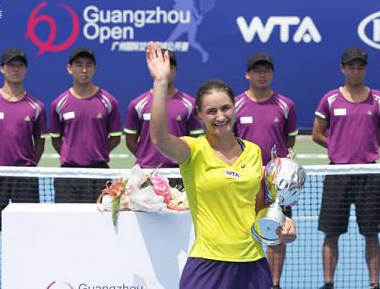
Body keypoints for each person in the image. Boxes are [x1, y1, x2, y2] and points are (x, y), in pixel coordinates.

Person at [147, 41, 297, 289]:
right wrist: (161, 83)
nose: (220, 116)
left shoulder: (253, 151)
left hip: (253, 264)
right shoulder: (193, 150)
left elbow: (259, 207)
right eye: (211, 111)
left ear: (234, 109)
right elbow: (159, 139)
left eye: (225, 108)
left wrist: (281, 223)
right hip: (208, 265)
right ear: (200, 116)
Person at [0, 48, 47, 289]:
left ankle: (28, 279)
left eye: (20, 65)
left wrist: (28, 164)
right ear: (2, 68)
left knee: (29, 232)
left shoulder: (36, 106)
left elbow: (40, 141)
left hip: (25, 177)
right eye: (11, 64)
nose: (16, 68)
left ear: (25, 69)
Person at [312, 47, 379, 289]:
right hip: (337, 173)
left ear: (366, 69)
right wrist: (337, 145)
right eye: (351, 66)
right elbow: (317, 134)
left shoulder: (377, 99)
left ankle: (374, 283)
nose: (355, 71)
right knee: (331, 233)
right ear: (342, 68)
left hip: (369, 174)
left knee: (371, 233)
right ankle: (328, 283)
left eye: (360, 66)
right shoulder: (330, 99)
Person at [234, 52, 298, 289]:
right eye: (257, 70)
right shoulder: (236, 105)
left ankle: (273, 284)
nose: (262, 75)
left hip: (275, 184)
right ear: (247, 74)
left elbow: (289, 140)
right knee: (241, 229)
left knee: (277, 232)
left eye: (266, 70)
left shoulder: (285, 105)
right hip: (243, 179)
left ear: (271, 73)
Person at [50, 47, 122, 202]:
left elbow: (115, 137)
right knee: (66, 223)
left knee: (99, 223)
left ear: (95, 68)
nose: (84, 70)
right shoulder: (59, 103)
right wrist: (72, 153)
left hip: (99, 173)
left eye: (88, 65)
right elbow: (56, 139)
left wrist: (97, 152)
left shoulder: (109, 102)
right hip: (68, 175)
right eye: (78, 64)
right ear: (69, 68)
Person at [125, 48, 202, 187]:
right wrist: (146, 157)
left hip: (179, 173)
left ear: (175, 70)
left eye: (169, 66)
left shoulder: (190, 104)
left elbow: (195, 141)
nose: (165, 69)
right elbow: (130, 140)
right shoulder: (137, 104)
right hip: (146, 173)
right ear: (151, 69)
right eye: (161, 65)